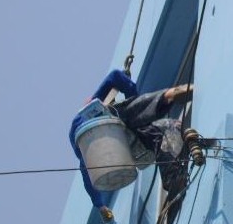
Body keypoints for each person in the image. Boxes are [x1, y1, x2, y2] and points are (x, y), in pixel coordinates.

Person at [69, 69, 193, 223]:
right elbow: (115, 76)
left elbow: (88, 183)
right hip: (120, 130)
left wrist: (100, 206)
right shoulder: (91, 114)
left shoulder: (87, 156)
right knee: (156, 126)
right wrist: (131, 94)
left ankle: (173, 179)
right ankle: (168, 96)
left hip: (122, 140)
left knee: (154, 130)